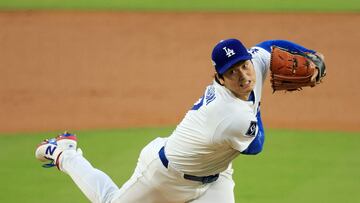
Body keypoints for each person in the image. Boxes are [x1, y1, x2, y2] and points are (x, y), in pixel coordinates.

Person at [35, 38, 323, 203]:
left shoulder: (254, 64)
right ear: (219, 78)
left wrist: (307, 54)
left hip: (216, 177)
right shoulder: (229, 116)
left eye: (245, 65)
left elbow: (271, 46)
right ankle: (65, 152)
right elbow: (255, 145)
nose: (244, 75)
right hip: (164, 176)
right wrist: (256, 103)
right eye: (233, 72)